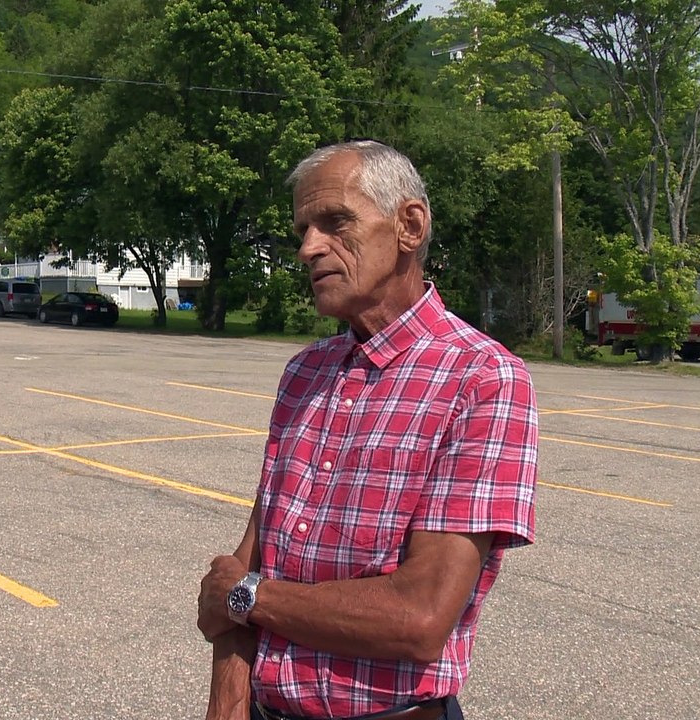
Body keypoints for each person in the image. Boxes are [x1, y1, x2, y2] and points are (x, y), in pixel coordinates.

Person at [197, 141, 538, 720]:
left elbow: (418, 618)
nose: (308, 248)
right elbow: (248, 561)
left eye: (334, 223)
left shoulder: (482, 379)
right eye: (303, 229)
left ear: (409, 225)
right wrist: (226, 704)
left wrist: (248, 597)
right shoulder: (305, 372)